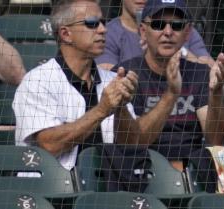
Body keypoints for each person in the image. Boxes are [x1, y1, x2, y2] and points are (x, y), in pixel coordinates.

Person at [13, 0, 139, 171]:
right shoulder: (37, 81)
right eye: (92, 23)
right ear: (66, 34)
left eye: (102, 22)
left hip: (110, 186)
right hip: (53, 190)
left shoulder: (113, 80)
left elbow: (132, 145)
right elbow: (49, 145)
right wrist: (102, 110)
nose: (103, 29)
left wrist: (121, 108)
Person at [115, 0, 224, 174]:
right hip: (140, 171)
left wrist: (216, 94)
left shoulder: (199, 73)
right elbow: (134, 142)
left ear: (187, 34)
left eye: (176, 25)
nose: (167, 32)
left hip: (194, 171)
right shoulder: (126, 74)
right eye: (158, 24)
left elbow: (215, 140)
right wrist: (171, 94)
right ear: (143, 31)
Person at [96, 0, 213, 70]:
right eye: (158, 25)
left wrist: (178, 50)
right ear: (143, 31)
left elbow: (213, 73)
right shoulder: (105, 33)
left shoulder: (181, 29)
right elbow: (106, 80)